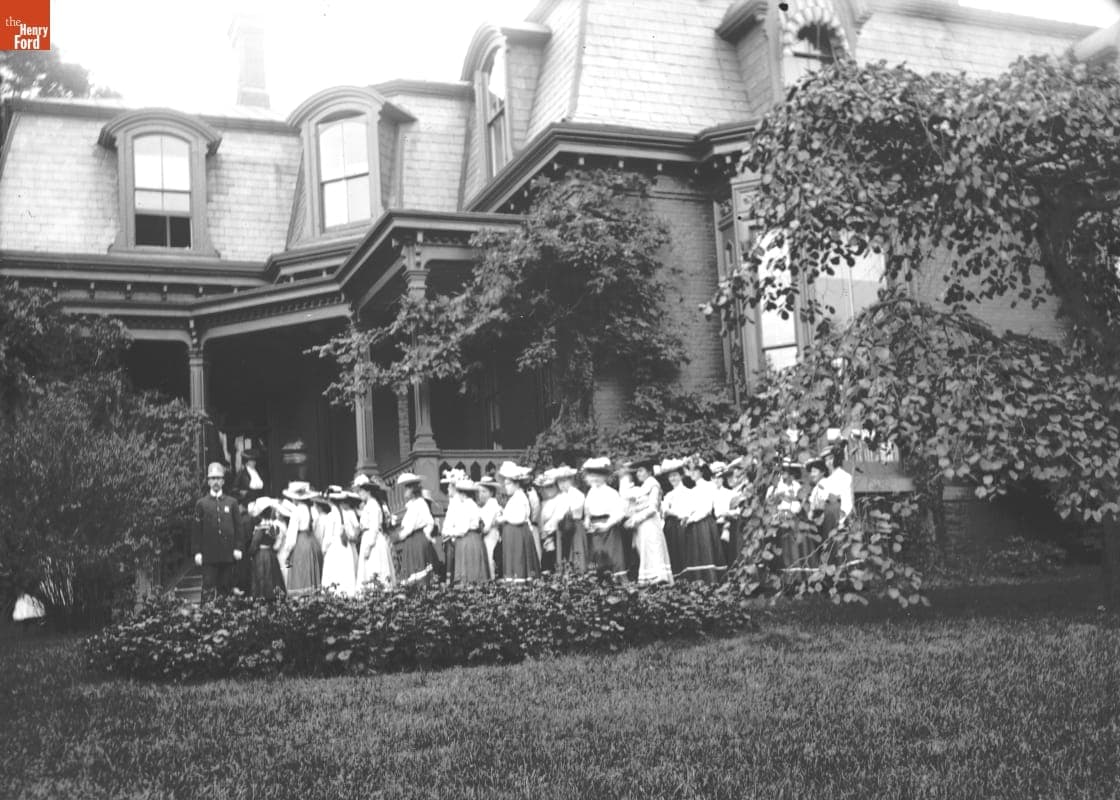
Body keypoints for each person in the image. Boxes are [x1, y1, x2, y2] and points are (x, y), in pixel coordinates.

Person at [191, 462, 245, 601]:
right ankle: (206, 620)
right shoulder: (201, 504)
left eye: (218, 478)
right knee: (208, 589)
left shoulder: (232, 503)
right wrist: (197, 551)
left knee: (226, 589)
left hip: (227, 555)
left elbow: (239, 528)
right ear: (208, 482)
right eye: (213, 478)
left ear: (223, 481)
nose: (216, 482)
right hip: (209, 556)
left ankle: (226, 620)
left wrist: (238, 547)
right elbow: (196, 530)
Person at [622, 458, 673, 584]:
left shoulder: (653, 484)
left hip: (651, 525)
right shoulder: (642, 487)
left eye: (641, 471)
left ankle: (660, 583)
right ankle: (650, 584)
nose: (638, 474)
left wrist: (635, 520)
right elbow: (627, 497)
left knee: (654, 552)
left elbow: (653, 508)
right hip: (642, 527)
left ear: (649, 471)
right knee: (645, 553)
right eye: (637, 471)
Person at [582, 457, 628, 579]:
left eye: (599, 475)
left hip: (609, 529)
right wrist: (587, 521)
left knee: (613, 557)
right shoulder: (590, 493)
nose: (595, 479)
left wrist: (607, 525)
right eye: (593, 475)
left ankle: (618, 586)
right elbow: (587, 511)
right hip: (594, 529)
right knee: (596, 558)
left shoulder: (611, 493)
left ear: (605, 477)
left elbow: (620, 512)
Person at [496, 461, 540, 581]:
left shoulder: (520, 497)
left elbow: (519, 518)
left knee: (519, 560)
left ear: (516, 484)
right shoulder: (514, 497)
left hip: (518, 535)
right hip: (512, 535)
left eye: (508, 484)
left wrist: (503, 518)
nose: (506, 487)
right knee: (513, 561)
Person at [279, 481, 323, 595]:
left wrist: (287, 551)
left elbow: (291, 535)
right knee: (311, 571)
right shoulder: (313, 510)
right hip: (312, 541)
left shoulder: (296, 511)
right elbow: (317, 529)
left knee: (300, 572)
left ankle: (302, 600)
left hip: (300, 543)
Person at [394, 473, 436, 585]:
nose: (405, 491)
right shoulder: (412, 504)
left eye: (407, 488)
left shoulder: (419, 503)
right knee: (413, 571)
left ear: (413, 489)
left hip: (417, 540)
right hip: (412, 540)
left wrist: (399, 536)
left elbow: (424, 523)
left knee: (419, 569)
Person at [354, 474, 395, 589]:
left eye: (361, 491)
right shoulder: (368, 505)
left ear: (368, 491)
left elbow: (374, 527)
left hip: (373, 541)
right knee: (368, 569)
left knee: (375, 566)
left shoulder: (373, 505)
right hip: (367, 537)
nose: (359, 494)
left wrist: (369, 546)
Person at [450, 477, 490, 584]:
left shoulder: (466, 505)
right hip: (474, 539)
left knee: (469, 571)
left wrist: (450, 532)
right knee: (474, 570)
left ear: (463, 494)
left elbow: (463, 528)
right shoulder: (473, 505)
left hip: (468, 540)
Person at [246, 497, 286, 600]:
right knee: (273, 577)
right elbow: (277, 540)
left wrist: (250, 553)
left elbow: (255, 544)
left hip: (261, 555)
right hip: (271, 554)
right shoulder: (273, 526)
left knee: (263, 577)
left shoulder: (261, 527)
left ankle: (263, 598)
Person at [319, 488, 356, 596]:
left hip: (334, 549)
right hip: (346, 547)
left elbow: (327, 538)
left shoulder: (331, 516)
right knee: (345, 575)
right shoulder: (347, 514)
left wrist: (324, 550)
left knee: (335, 575)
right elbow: (352, 534)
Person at [553, 465, 587, 573]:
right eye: (559, 482)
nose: (562, 485)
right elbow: (557, 513)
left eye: (564, 481)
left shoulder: (577, 494)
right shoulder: (560, 496)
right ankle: (564, 572)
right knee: (563, 551)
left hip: (574, 525)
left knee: (575, 549)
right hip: (562, 526)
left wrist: (564, 512)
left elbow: (573, 508)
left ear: (571, 480)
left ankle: (578, 572)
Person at [534, 470, 565, 574]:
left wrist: (549, 532)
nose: (549, 490)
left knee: (556, 557)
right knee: (545, 559)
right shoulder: (543, 502)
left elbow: (558, 516)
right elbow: (540, 520)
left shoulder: (560, 499)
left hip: (556, 533)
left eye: (551, 486)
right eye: (546, 487)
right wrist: (543, 532)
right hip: (545, 534)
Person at [477, 475, 503, 579]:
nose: (481, 494)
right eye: (480, 491)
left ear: (491, 493)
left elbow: (486, 527)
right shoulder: (485, 506)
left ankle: (492, 579)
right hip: (486, 536)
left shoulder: (492, 504)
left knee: (490, 557)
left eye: (484, 492)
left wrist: (480, 528)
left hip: (491, 536)